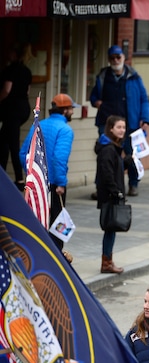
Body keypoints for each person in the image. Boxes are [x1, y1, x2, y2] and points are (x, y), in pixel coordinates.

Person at [90, 45, 149, 196]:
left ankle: (133, 184)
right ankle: (101, 187)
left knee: (131, 154)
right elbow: (93, 96)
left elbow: (144, 99)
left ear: (124, 58)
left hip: (130, 123)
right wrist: (97, 102)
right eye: (112, 58)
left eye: (118, 57)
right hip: (107, 124)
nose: (116, 60)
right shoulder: (103, 76)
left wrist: (145, 119)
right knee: (105, 156)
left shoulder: (134, 77)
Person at [19, 93, 78, 251]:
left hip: (37, 184)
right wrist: (60, 183)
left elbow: (23, 153)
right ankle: (56, 260)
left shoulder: (38, 125)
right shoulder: (65, 130)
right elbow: (59, 158)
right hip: (54, 184)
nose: (73, 112)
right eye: (71, 109)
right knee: (56, 224)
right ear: (64, 110)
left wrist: (31, 175)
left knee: (38, 221)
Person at [95, 115, 128, 274]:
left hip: (112, 194)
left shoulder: (113, 147)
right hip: (110, 196)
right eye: (119, 127)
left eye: (123, 127)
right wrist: (116, 192)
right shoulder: (108, 149)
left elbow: (114, 169)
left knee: (111, 229)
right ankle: (106, 263)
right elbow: (107, 174)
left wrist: (127, 161)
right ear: (111, 129)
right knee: (110, 229)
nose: (122, 130)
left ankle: (108, 261)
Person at [0, 43, 31, 190]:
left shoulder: (10, 70)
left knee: (12, 144)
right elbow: (27, 91)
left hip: (12, 110)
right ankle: (3, 174)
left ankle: (19, 179)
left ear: (15, 54)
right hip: (23, 109)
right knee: (4, 141)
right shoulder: (26, 70)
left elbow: (6, 90)